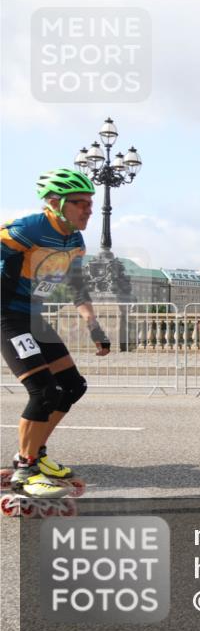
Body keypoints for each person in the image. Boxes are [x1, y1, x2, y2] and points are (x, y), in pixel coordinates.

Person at [0, 169, 111, 501]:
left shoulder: (74, 241)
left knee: (73, 386)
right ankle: (25, 468)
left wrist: (94, 326)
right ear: (54, 203)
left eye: (90, 203)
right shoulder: (28, 228)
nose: (88, 209)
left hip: (33, 316)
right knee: (43, 390)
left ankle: (37, 453)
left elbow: (77, 287)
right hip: (7, 315)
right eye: (80, 203)